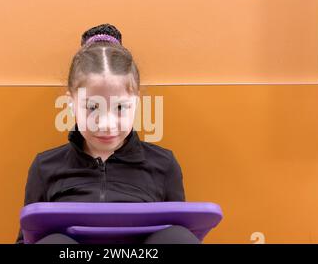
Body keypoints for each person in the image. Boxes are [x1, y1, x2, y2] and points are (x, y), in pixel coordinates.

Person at [15, 23, 199, 244]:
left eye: (120, 108)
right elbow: (26, 238)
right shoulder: (45, 167)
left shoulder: (164, 164)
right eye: (92, 108)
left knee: (178, 238)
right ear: (71, 103)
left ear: (136, 103)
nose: (107, 124)